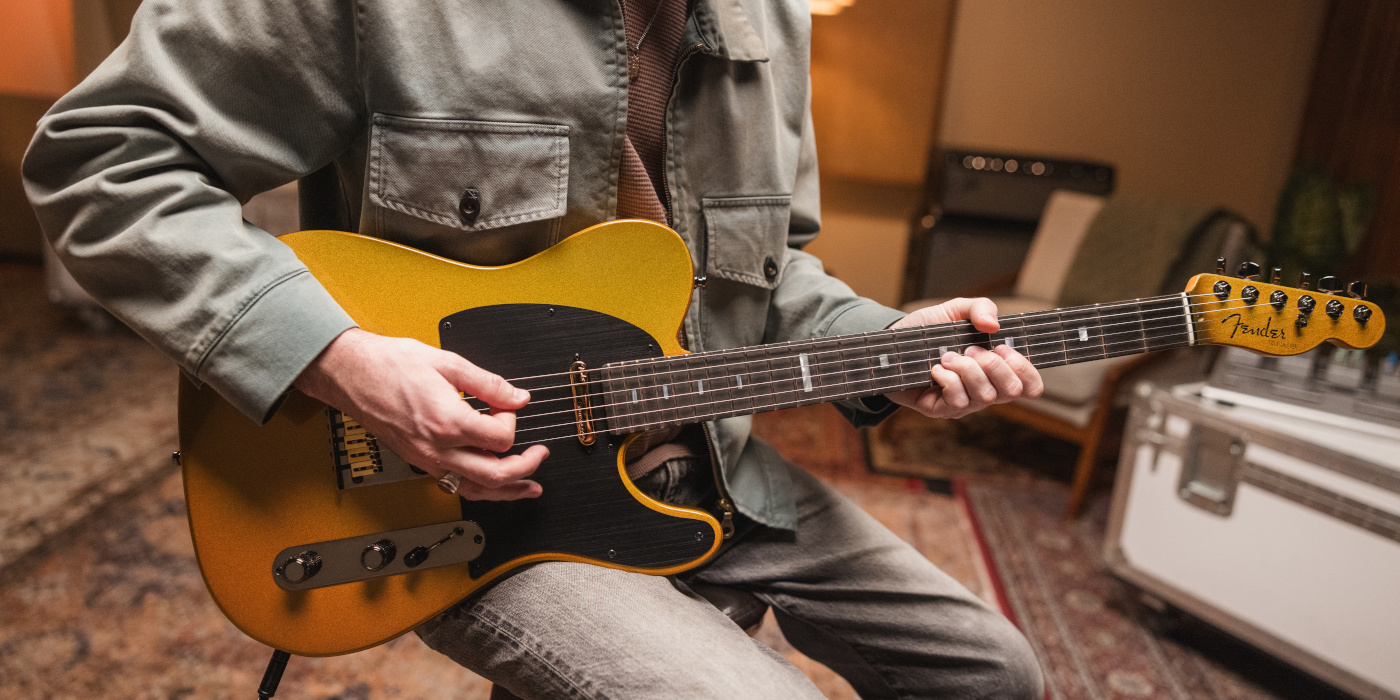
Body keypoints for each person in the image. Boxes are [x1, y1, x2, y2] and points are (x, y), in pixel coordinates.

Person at [24, 0, 1045, 697]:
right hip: (466, 498)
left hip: (719, 470)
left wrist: (887, 344)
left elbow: (770, 275)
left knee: (990, 672)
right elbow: (105, 162)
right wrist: (339, 359)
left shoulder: (766, 14)